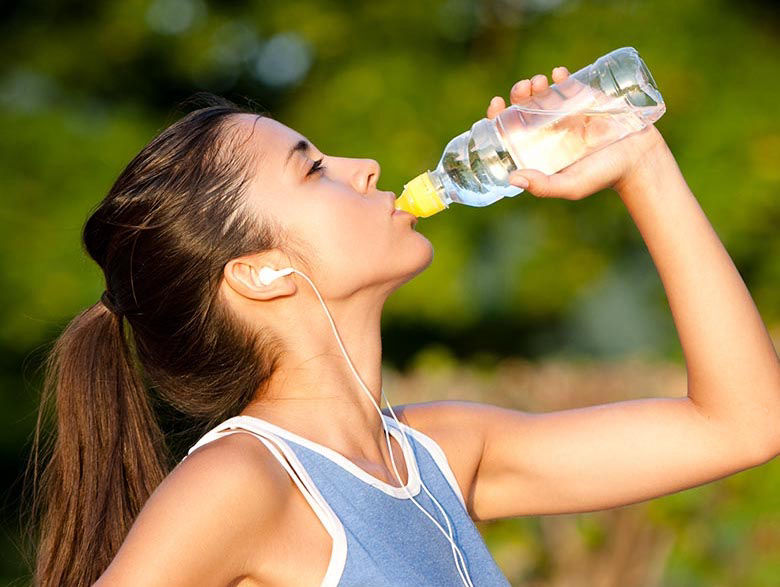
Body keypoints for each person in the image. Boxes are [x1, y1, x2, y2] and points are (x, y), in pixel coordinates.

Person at [26, 65, 779, 587]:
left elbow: (745, 422)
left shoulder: (440, 453)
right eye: (312, 169)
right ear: (260, 273)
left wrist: (640, 161)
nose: (365, 166)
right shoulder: (242, 481)